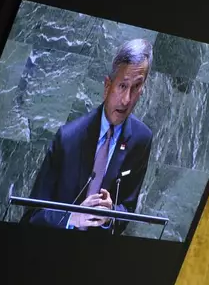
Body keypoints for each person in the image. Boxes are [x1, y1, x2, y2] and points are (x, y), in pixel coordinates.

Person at [21, 39, 153, 234]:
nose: (126, 100)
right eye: (122, 86)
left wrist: (110, 214)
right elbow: (34, 213)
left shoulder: (141, 140)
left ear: (143, 89)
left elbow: (128, 209)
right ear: (107, 85)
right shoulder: (68, 138)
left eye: (136, 87)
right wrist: (73, 217)